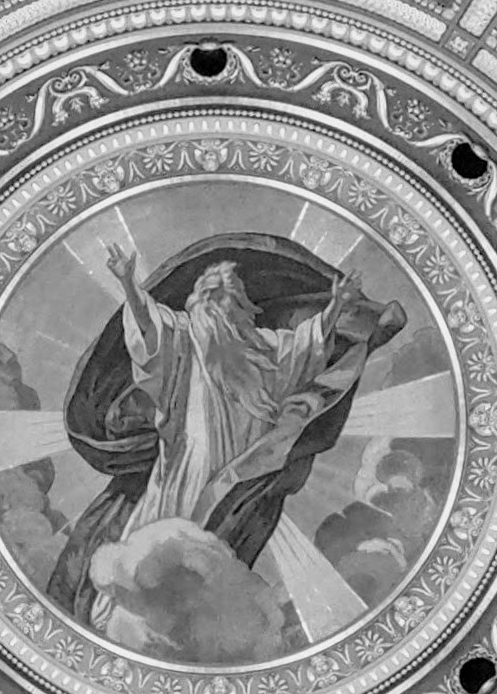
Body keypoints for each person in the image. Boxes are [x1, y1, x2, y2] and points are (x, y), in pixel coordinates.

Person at [40, 235, 399, 624]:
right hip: (186, 462)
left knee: (212, 539)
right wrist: (128, 283)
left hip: (237, 463)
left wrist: (335, 307)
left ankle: (182, 617)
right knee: (158, 527)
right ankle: (119, 610)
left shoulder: (263, 348)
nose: (219, 311)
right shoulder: (186, 340)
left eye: (228, 301)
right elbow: (149, 327)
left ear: (242, 307)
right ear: (200, 305)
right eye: (211, 300)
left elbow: (308, 345)